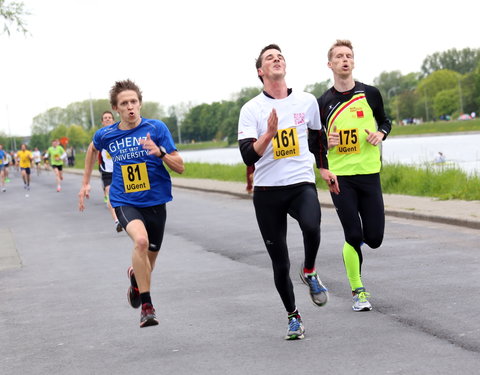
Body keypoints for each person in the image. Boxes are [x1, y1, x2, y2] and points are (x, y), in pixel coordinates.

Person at [238, 44, 338, 340]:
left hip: (300, 184)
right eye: (269, 58)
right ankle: (293, 317)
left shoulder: (306, 101)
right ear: (261, 71)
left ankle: (309, 271)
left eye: (279, 56)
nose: (277, 59)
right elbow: (248, 156)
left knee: (312, 225)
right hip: (268, 192)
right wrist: (268, 133)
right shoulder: (251, 109)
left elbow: (317, 140)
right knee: (279, 262)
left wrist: (324, 166)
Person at [78, 79, 184, 328]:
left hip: (156, 201)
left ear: (140, 103)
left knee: (149, 261)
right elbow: (92, 149)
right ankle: (147, 307)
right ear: (116, 108)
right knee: (141, 242)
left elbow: (180, 166)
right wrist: (85, 182)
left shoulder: (156, 128)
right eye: (124, 103)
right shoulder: (107, 134)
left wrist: (160, 153)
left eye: (133, 102)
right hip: (124, 200)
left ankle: (136, 280)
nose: (130, 107)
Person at [317, 40, 391, 312]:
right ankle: (358, 291)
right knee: (352, 234)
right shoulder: (323, 102)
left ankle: (358, 249)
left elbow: (385, 121)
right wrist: (328, 141)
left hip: (370, 174)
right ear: (330, 64)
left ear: (353, 62)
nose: (344, 60)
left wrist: (380, 133)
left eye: (349, 56)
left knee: (373, 238)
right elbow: (315, 143)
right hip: (341, 178)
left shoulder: (370, 93)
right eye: (339, 56)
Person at [98, 110, 123, 232]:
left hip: (120, 170)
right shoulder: (99, 137)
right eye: (105, 118)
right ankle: (117, 220)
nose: (107, 119)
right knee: (109, 193)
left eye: (109, 117)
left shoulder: (119, 134)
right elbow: (93, 152)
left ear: (113, 120)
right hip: (107, 171)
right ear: (102, 122)